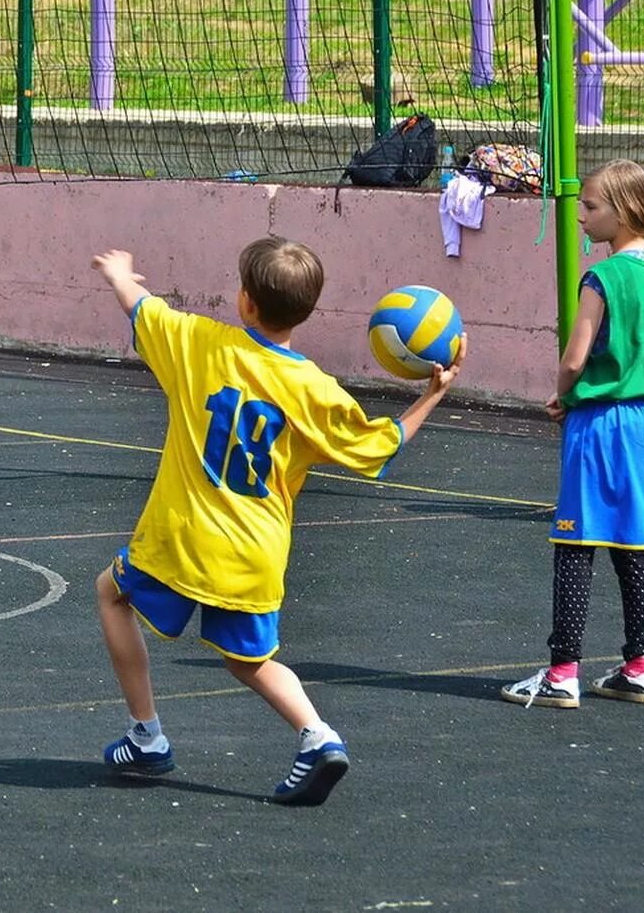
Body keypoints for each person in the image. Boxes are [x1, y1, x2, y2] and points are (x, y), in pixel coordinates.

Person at [91, 237, 466, 806]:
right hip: (254, 554)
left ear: (244, 302)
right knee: (252, 661)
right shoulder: (314, 389)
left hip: (183, 538)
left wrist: (120, 273)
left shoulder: (197, 342)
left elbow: (141, 308)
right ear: (309, 311)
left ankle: (146, 735)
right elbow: (379, 446)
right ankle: (317, 736)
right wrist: (432, 396)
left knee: (111, 594)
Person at [502, 160, 644, 709]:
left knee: (576, 544)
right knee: (634, 545)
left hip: (603, 424)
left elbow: (575, 358)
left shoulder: (601, 277)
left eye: (592, 206)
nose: (581, 215)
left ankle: (562, 673)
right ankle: (640, 666)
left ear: (624, 214)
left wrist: (564, 395)